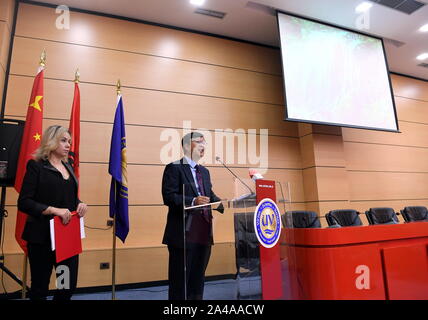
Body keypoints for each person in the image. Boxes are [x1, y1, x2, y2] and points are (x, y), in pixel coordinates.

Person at [17, 125, 88, 300]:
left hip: (65, 239)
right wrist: (53, 210)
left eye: (69, 141)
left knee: (65, 287)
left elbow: (68, 198)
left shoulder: (69, 166)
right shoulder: (36, 166)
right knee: (40, 288)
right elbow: (24, 202)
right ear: (51, 141)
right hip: (42, 239)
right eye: (63, 140)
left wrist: (80, 204)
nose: (68, 145)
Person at [162, 131, 223, 300]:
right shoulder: (174, 167)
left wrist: (228, 201)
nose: (204, 146)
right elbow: (169, 197)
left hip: (203, 233)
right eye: (199, 142)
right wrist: (193, 200)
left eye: (205, 143)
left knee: (198, 278)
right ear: (187, 145)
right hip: (183, 233)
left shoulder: (204, 171)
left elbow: (209, 195)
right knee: (180, 281)